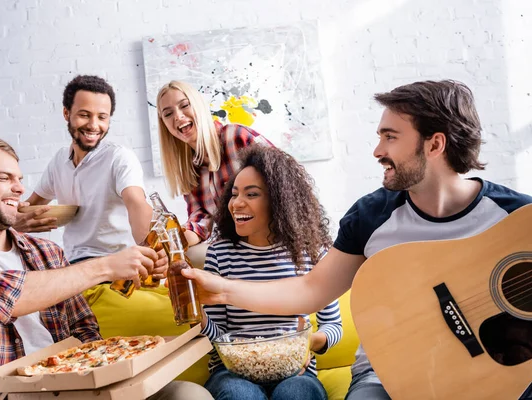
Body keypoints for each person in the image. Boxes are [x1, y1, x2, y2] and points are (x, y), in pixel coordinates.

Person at [180, 80, 532, 399]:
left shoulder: (518, 219)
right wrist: (222, 290)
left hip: (495, 376)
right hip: (386, 378)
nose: (377, 150)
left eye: (390, 137)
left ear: (435, 144)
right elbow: (310, 290)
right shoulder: (370, 216)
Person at [0, 136, 213, 400]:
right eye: (4, 178)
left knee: (185, 394)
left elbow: (86, 332)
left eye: (18, 178)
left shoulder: (46, 253)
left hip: (71, 388)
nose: (19, 188)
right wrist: (104, 267)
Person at [200, 145, 342, 400]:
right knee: (239, 395)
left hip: (295, 371)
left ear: (279, 201)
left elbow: (333, 325)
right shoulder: (220, 254)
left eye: (251, 194)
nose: (237, 203)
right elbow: (218, 334)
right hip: (232, 371)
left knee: (296, 394)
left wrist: (310, 341)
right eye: (234, 194)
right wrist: (197, 319)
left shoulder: (311, 253)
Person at [15, 75, 155, 267]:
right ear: (66, 113)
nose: (93, 125)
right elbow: (31, 207)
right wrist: (13, 222)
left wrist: (150, 251)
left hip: (118, 264)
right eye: (84, 114)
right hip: (74, 265)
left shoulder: (119, 157)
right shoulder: (59, 161)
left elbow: (136, 203)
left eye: (102, 117)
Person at [156, 80, 273, 264]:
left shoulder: (236, 137)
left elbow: (285, 180)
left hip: (271, 235)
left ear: (198, 106)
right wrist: (176, 241)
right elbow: (202, 218)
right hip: (236, 243)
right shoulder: (188, 168)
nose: (177, 117)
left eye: (184, 105)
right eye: (168, 114)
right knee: (188, 258)